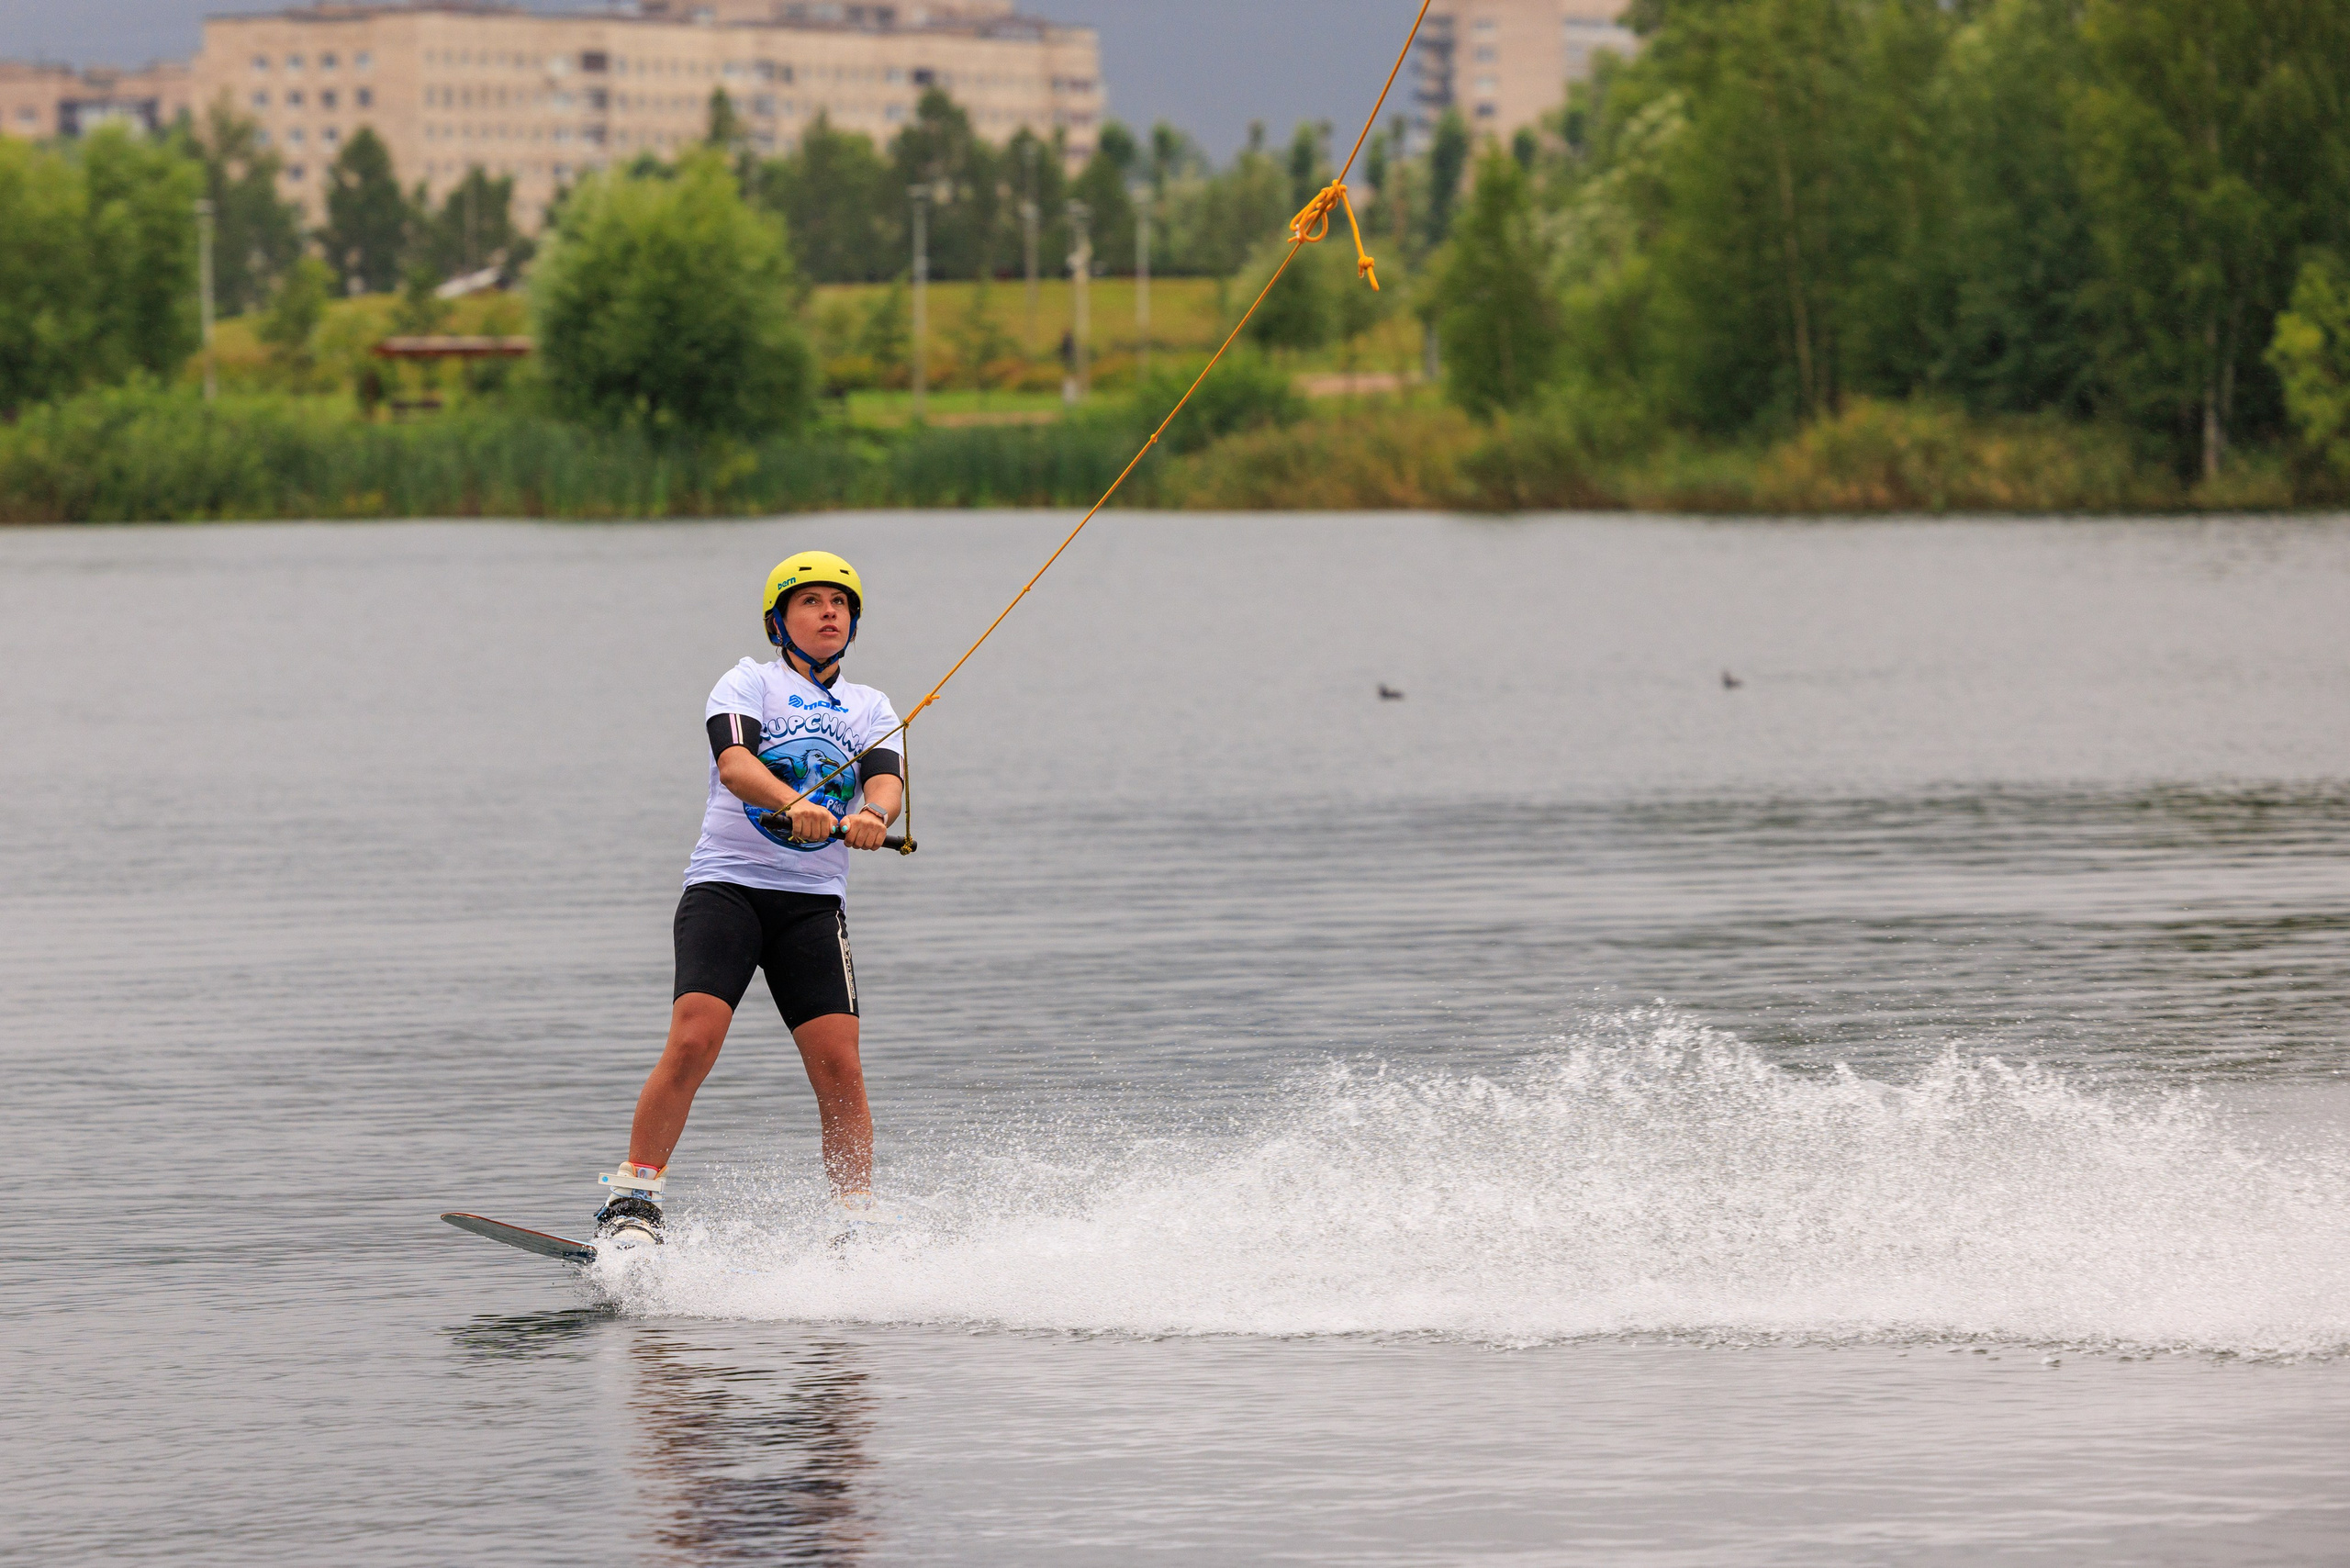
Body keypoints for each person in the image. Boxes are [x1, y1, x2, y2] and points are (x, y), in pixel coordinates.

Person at [594, 551, 905, 1248]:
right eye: (811, 601)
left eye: (840, 603)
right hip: (727, 888)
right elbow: (736, 765)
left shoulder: (872, 708)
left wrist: (873, 818)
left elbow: (885, 781)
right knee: (696, 1035)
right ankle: (635, 1201)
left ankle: (856, 1217)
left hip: (810, 903)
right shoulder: (747, 683)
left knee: (839, 1062)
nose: (829, 612)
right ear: (778, 622)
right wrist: (797, 802)